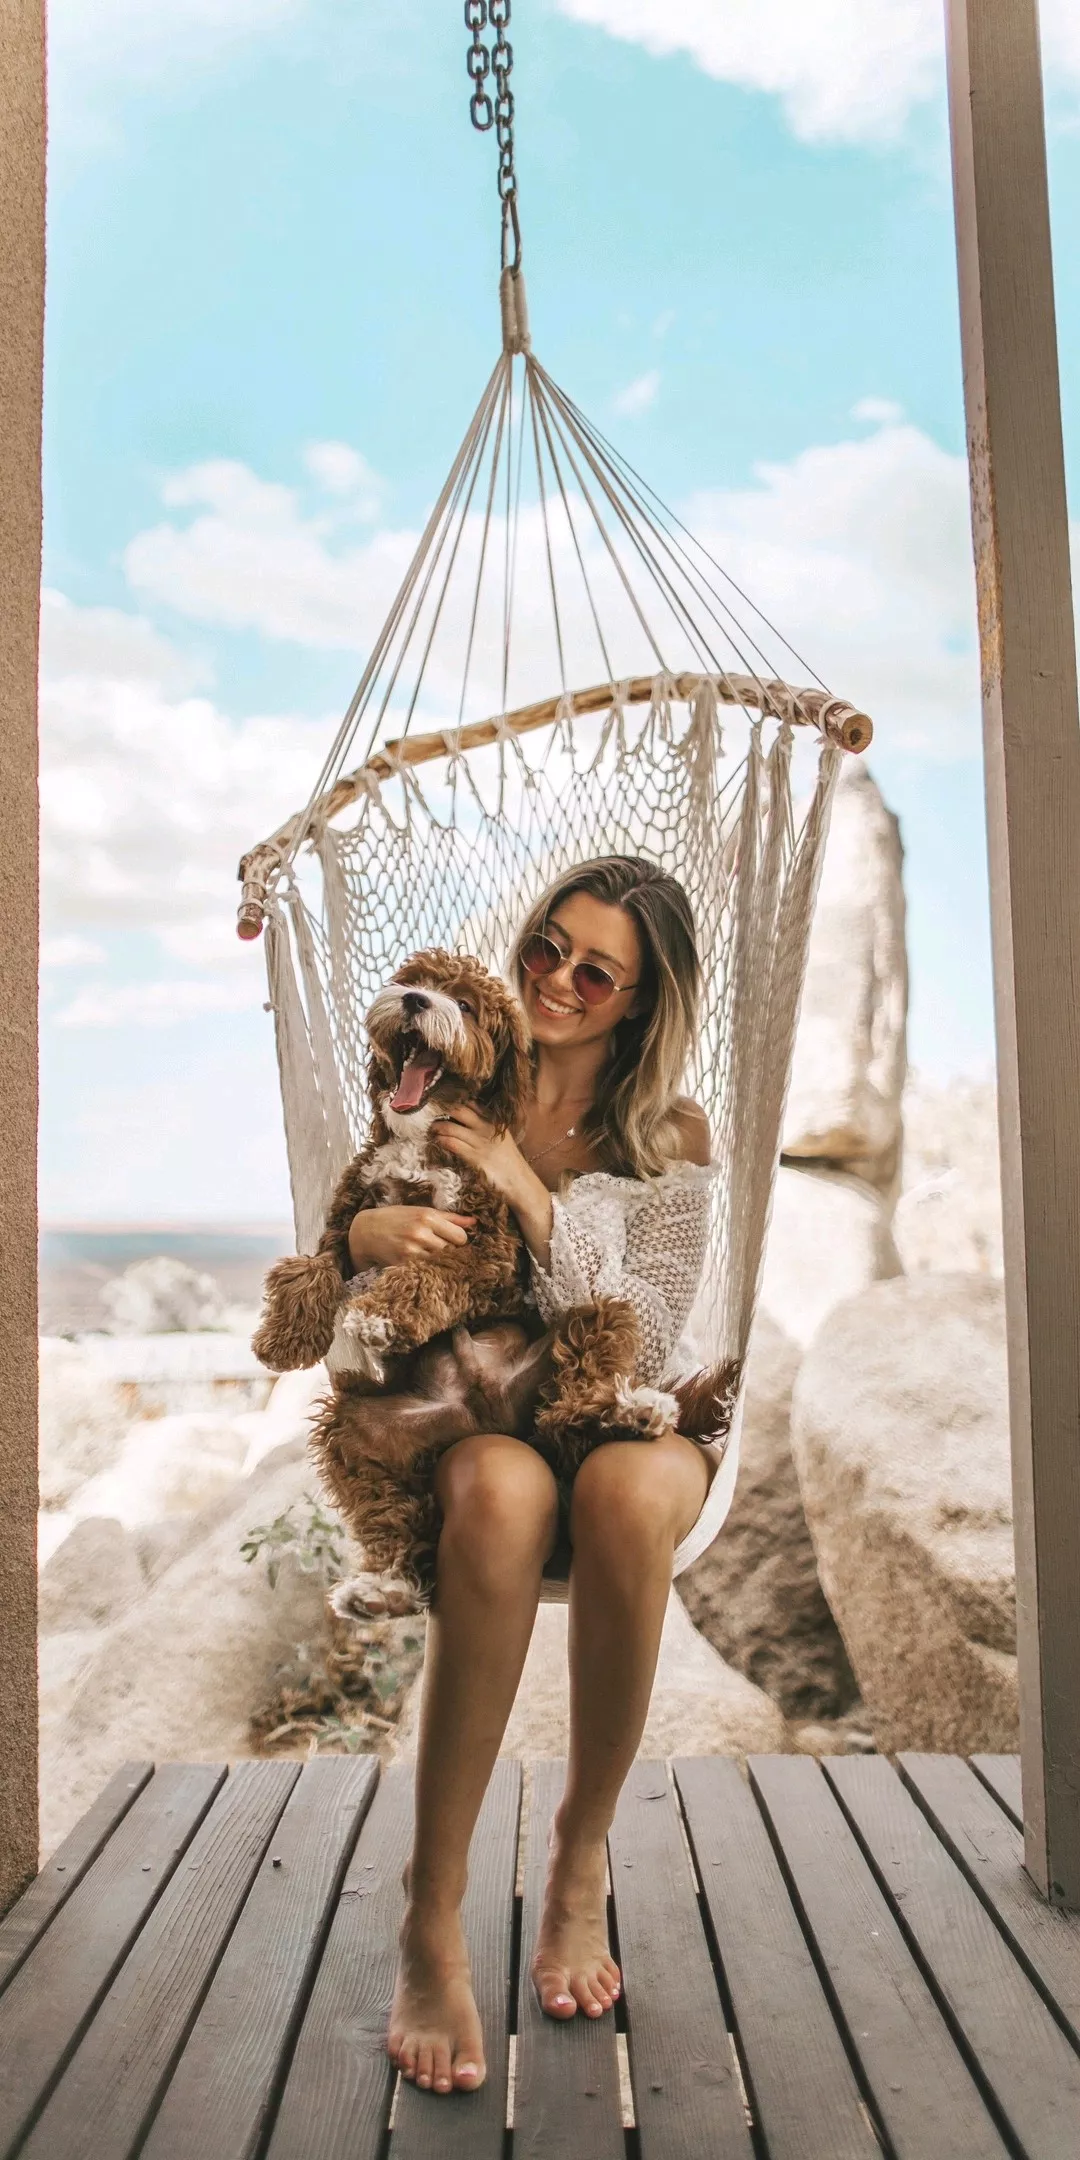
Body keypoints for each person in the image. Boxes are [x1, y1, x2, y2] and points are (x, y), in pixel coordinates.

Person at [345, 856, 731, 2097]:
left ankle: (578, 1860)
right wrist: (362, 1237)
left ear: (637, 1000)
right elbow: (360, 1211)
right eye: (547, 948)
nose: (559, 979)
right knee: (504, 1490)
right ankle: (434, 1908)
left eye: (595, 969)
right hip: (494, 1413)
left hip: (640, 1417)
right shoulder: (453, 1073)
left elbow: (656, 1332)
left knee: (618, 1493)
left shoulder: (671, 1135)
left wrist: (526, 1184)